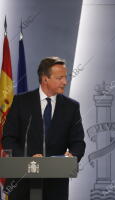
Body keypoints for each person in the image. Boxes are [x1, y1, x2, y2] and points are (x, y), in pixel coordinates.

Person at [2, 57, 86, 200]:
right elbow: (8, 138)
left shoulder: (71, 107)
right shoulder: (21, 101)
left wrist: (72, 155)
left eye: (65, 78)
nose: (65, 82)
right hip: (22, 182)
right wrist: (28, 157)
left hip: (55, 186)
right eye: (59, 78)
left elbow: (78, 142)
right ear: (45, 79)